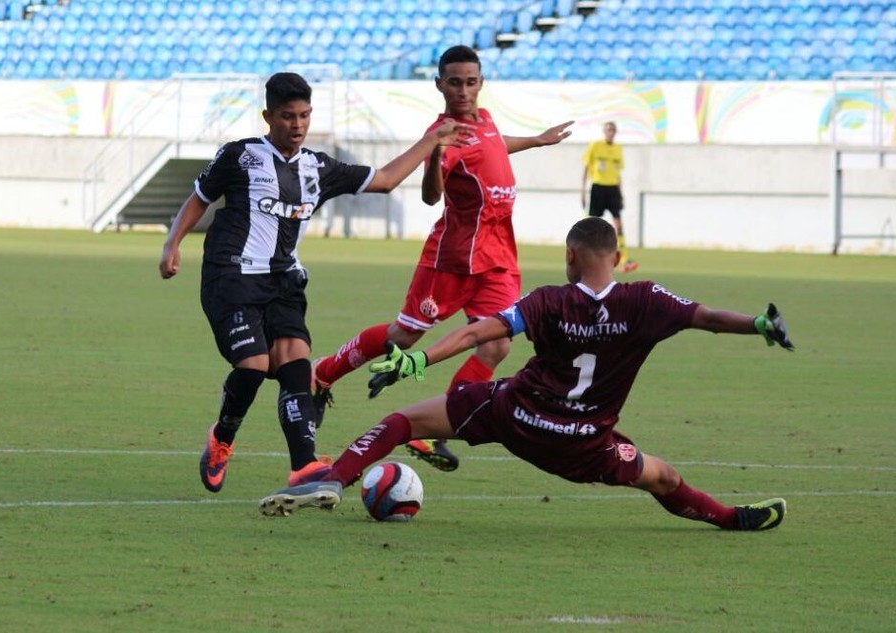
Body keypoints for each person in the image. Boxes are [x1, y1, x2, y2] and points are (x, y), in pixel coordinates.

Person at [259, 217, 795, 531]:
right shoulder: (647, 300)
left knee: (401, 422)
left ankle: (333, 479)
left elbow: (478, 333)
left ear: (570, 255)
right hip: (584, 443)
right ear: (616, 255)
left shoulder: (548, 300)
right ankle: (731, 518)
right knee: (665, 478)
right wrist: (759, 324)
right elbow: (708, 319)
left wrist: (419, 359)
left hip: (514, 412)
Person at [158, 71, 471, 494]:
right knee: (253, 366)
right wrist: (172, 243)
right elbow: (200, 197)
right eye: (288, 116)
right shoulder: (240, 156)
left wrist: (431, 141)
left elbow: (385, 179)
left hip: (284, 280)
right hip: (231, 275)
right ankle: (223, 437)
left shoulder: (318, 167)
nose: (298, 125)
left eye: (304, 115)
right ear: (268, 116)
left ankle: (303, 466)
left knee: (295, 364)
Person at [308, 45, 574, 473]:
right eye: (455, 82)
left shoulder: (484, 121)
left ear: (481, 83)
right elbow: (433, 195)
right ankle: (323, 372)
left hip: (498, 258)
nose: (464, 90)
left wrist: (536, 140)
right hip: (453, 259)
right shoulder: (443, 133)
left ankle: (437, 426)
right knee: (403, 337)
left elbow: (494, 146)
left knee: (498, 344)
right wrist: (434, 155)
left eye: (471, 82)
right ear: (439, 84)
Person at [582, 121, 638, 273]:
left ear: (615, 132)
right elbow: (586, 168)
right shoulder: (595, 146)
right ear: (604, 131)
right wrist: (582, 190)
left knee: (618, 223)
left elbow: (618, 173)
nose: (610, 132)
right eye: (608, 129)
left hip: (613, 188)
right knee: (593, 223)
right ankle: (587, 256)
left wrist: (621, 193)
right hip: (598, 187)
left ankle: (625, 259)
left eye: (612, 130)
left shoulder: (618, 148)